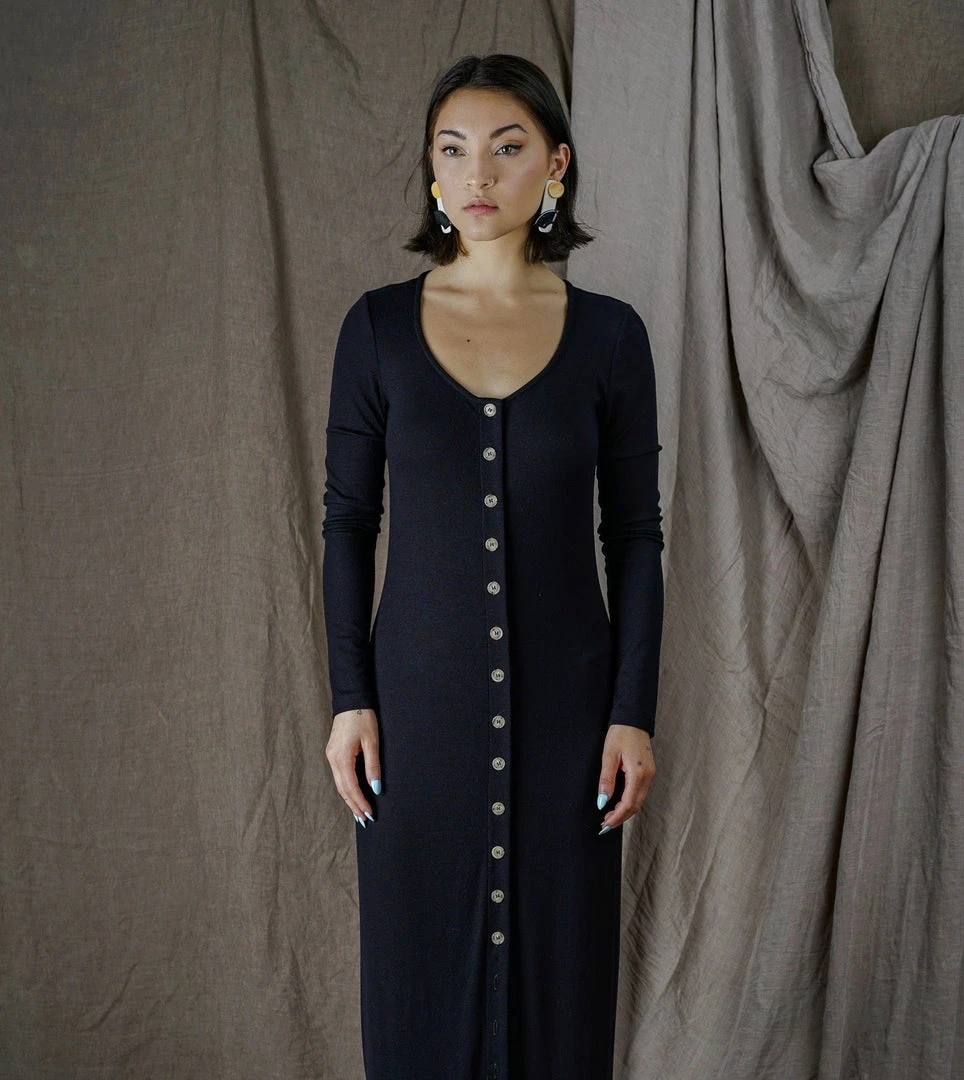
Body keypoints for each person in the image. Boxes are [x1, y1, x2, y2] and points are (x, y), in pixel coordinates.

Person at [322, 52, 664, 1080]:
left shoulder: (611, 337)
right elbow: (347, 523)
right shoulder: (376, 329)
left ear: (555, 165)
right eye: (454, 149)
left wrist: (632, 712)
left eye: (508, 148)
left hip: (571, 727)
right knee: (416, 995)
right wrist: (349, 699)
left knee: (561, 999)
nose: (478, 173)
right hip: (415, 724)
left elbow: (635, 535)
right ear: (432, 171)